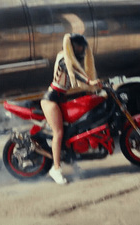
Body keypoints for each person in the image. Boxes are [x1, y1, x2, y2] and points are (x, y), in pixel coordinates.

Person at [41, 33, 101, 184]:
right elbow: (72, 73)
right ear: (71, 46)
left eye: (82, 46)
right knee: (59, 133)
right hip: (51, 99)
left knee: (71, 132)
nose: (81, 49)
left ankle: (74, 165)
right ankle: (55, 169)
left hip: (62, 98)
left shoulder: (72, 59)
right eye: (78, 46)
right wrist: (90, 81)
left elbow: (81, 74)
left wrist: (95, 85)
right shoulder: (63, 58)